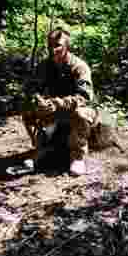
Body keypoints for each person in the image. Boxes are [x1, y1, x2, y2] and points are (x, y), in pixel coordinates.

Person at [25, 27, 98, 176]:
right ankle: (42, 148)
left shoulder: (79, 66)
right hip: (54, 110)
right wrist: (38, 100)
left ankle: (78, 157)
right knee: (28, 110)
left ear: (67, 47)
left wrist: (58, 103)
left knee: (80, 113)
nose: (53, 49)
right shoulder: (44, 66)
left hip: (79, 110)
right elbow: (31, 88)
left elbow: (84, 97)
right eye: (50, 45)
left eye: (57, 45)